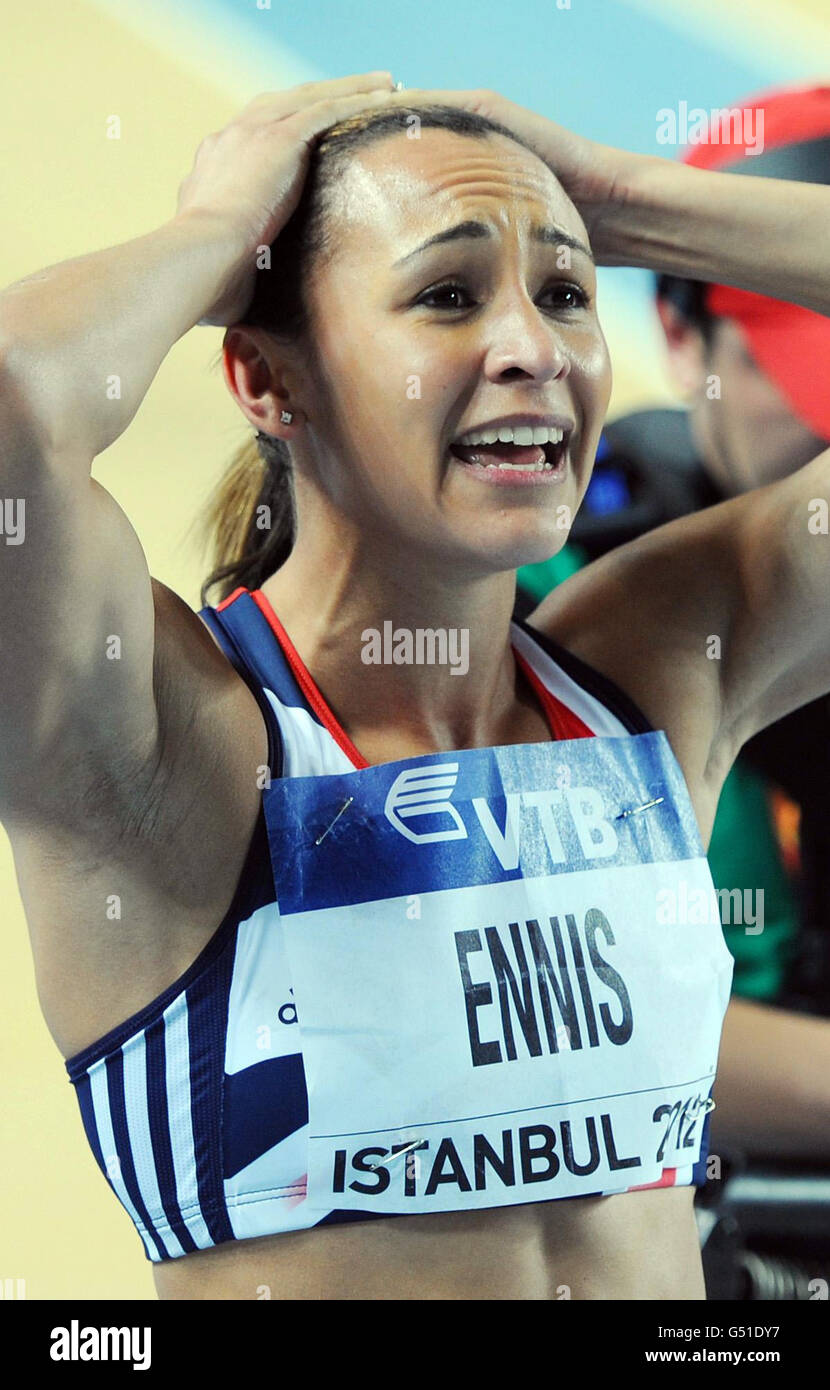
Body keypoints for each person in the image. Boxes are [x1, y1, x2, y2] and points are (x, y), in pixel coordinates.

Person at [1, 72, 829, 1302]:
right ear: (266, 380)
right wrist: (218, 234)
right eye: (447, 296)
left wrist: (619, 201)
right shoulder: (165, 736)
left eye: (563, 294)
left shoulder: (650, 669)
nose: (533, 349)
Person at [514, 84, 830, 1163]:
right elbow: (547, 1008)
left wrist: (628, 198)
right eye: (804, 366)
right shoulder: (546, 574)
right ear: (677, 335)